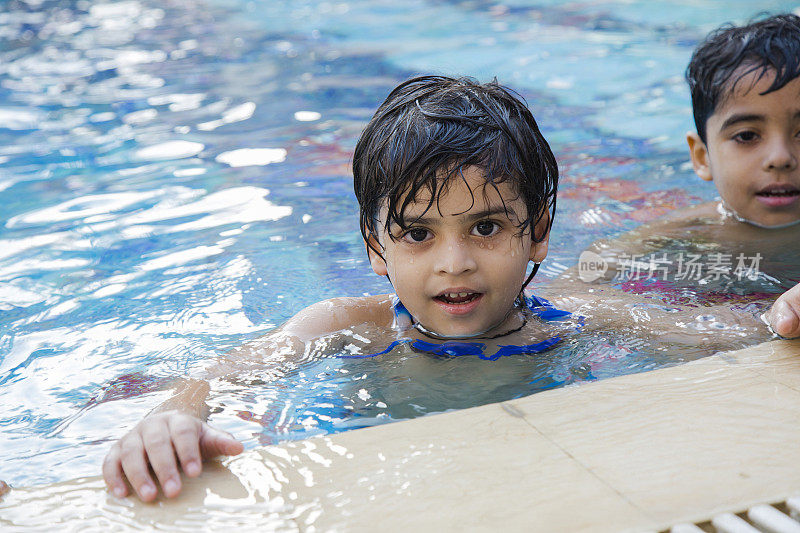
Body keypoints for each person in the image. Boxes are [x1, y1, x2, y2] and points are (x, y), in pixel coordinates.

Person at [101, 75, 798, 503]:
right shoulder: (348, 325)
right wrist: (172, 417)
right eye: (417, 234)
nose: (454, 262)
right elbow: (221, 375)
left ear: (539, 233)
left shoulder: (577, 317)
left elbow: (737, 336)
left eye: (487, 226)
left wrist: (786, 312)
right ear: (376, 247)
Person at [568, 14, 800, 338]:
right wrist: (709, 327)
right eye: (747, 136)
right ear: (702, 157)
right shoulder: (686, 234)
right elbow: (569, 291)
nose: (780, 158)